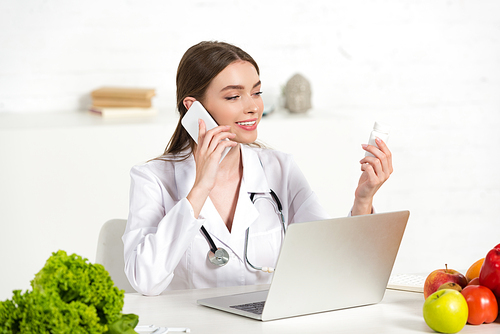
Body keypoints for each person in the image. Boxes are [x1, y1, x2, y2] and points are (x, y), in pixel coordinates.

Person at [123, 41, 393, 296]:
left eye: (256, 92)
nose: (253, 107)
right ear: (194, 108)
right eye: (233, 96)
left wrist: (363, 200)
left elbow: (331, 264)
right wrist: (201, 187)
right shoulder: (152, 179)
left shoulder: (280, 168)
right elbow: (146, 281)